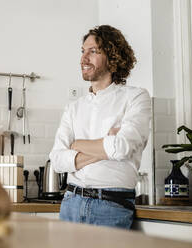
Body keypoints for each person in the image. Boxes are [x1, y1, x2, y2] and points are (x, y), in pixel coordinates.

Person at [49, 25, 151, 229]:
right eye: (83, 51)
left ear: (113, 58)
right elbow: (58, 160)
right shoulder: (74, 107)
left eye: (93, 51)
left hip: (111, 205)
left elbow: (122, 147)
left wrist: (76, 145)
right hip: (71, 202)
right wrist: (106, 147)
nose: (83, 59)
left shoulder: (136, 97)